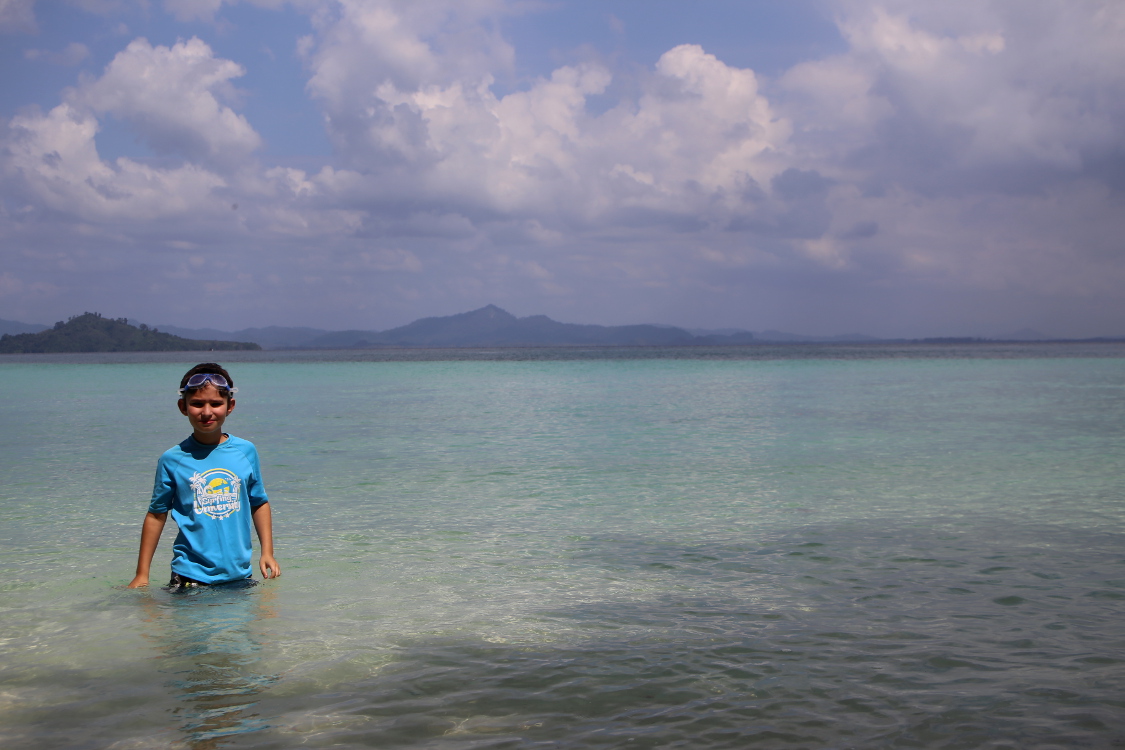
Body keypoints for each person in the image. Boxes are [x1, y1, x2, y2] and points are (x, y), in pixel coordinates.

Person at [127, 363, 280, 589]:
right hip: (190, 576)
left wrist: (267, 552)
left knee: (248, 625)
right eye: (197, 404)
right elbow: (156, 515)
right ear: (183, 406)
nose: (207, 412)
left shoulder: (246, 451)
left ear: (230, 406)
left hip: (239, 575)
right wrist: (142, 574)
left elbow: (259, 502)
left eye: (216, 403)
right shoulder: (172, 459)